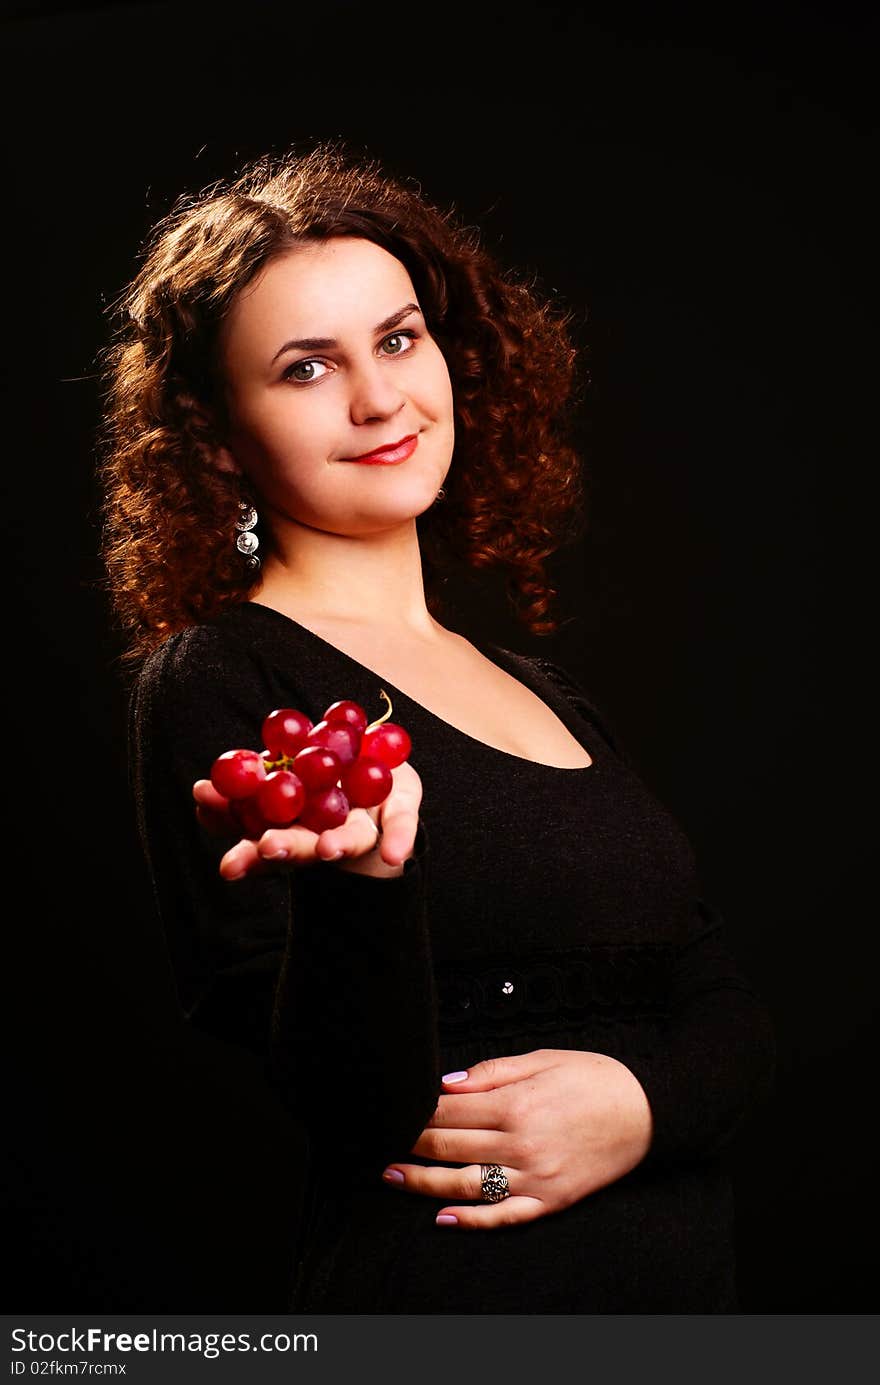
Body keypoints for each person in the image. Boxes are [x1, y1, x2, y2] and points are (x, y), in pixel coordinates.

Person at [97, 139, 775, 1313]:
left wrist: (639, 1107)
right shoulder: (222, 681)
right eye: (307, 368)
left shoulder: (544, 690)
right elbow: (352, 1104)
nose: (379, 398)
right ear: (215, 434)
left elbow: (727, 1006)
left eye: (398, 338)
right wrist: (364, 885)